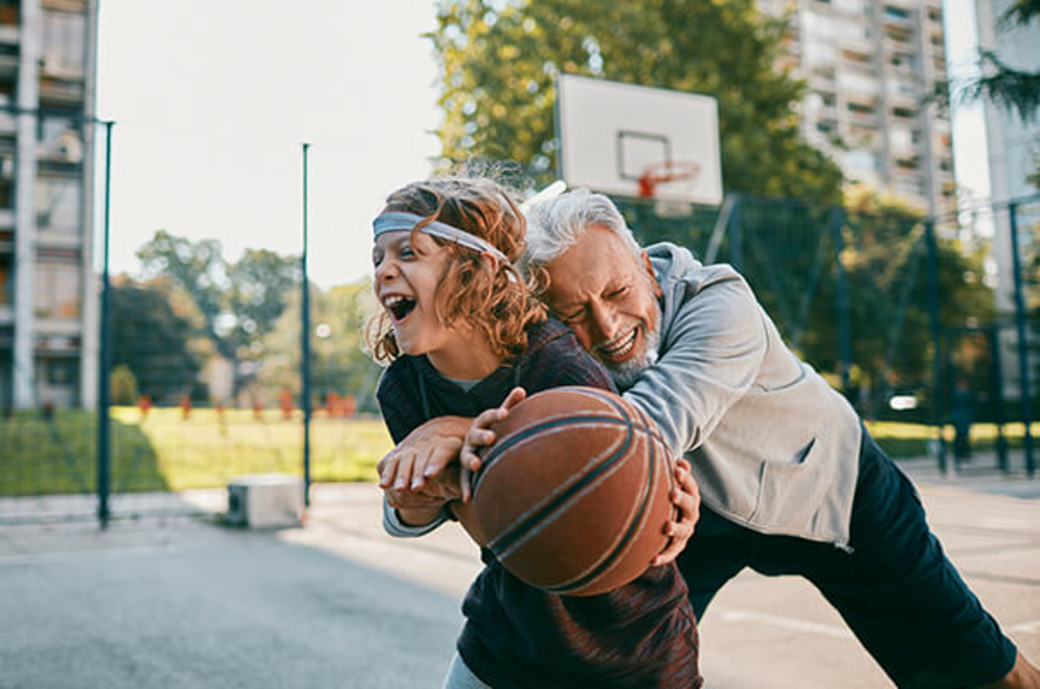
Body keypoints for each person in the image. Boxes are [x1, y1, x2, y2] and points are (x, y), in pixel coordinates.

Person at [484, 187, 1035, 689]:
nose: (606, 326)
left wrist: (474, 435)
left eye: (616, 291)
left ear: (647, 270)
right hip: (695, 516)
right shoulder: (551, 347)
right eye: (576, 313)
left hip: (829, 491)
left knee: (975, 669)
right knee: (608, 669)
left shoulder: (722, 305)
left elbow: (636, 436)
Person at [366, 177, 703, 689]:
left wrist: (474, 445)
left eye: (409, 253)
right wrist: (421, 493)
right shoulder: (404, 387)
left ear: (474, 271)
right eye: (378, 258)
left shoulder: (557, 365)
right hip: (509, 637)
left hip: (634, 649)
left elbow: (587, 513)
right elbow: (493, 537)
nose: (385, 270)